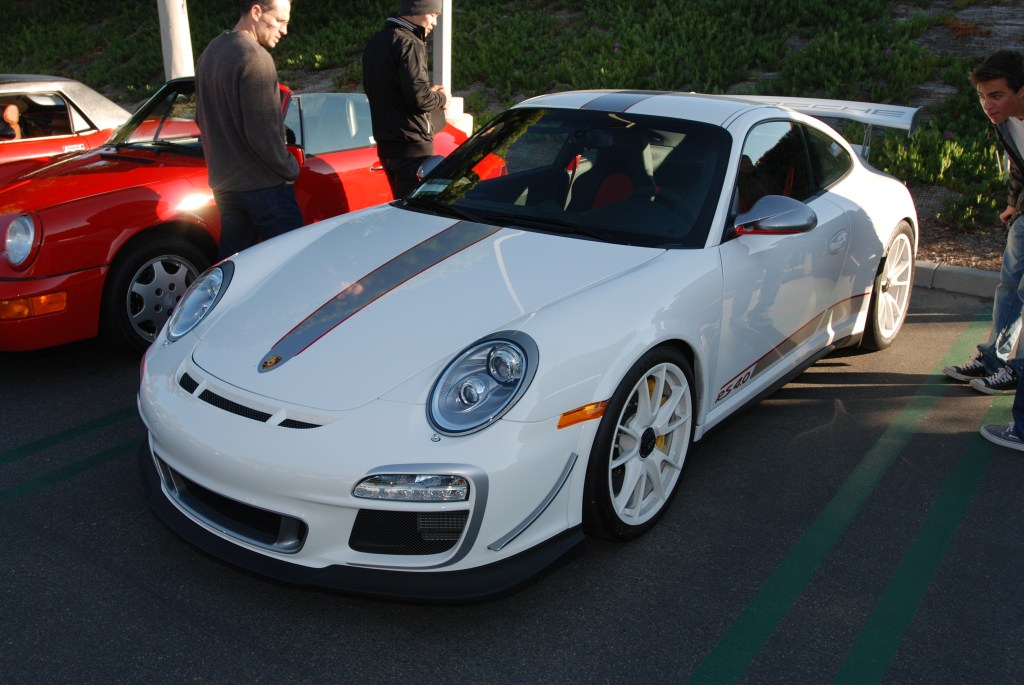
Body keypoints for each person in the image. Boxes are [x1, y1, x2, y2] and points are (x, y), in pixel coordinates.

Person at [195, 0, 304, 260]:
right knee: (294, 264)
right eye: (279, 20)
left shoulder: (210, 53)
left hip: (225, 187)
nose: (284, 30)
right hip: (265, 189)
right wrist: (290, 168)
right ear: (256, 12)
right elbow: (263, 135)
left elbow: (200, 119)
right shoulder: (255, 58)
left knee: (235, 272)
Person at [944, 50, 1024, 394]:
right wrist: (1013, 203)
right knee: (1009, 283)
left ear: (1022, 91)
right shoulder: (1005, 121)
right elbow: (1019, 167)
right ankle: (995, 359)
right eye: (982, 96)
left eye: (996, 96)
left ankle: (1016, 373)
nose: (987, 105)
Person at [363, 0, 450, 199]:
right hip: (413, 147)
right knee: (419, 215)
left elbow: (389, 90)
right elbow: (419, 98)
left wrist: (427, 93)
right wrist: (442, 98)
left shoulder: (376, 42)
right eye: (434, 15)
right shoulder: (410, 42)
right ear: (417, 10)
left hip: (386, 146)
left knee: (402, 209)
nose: (434, 23)